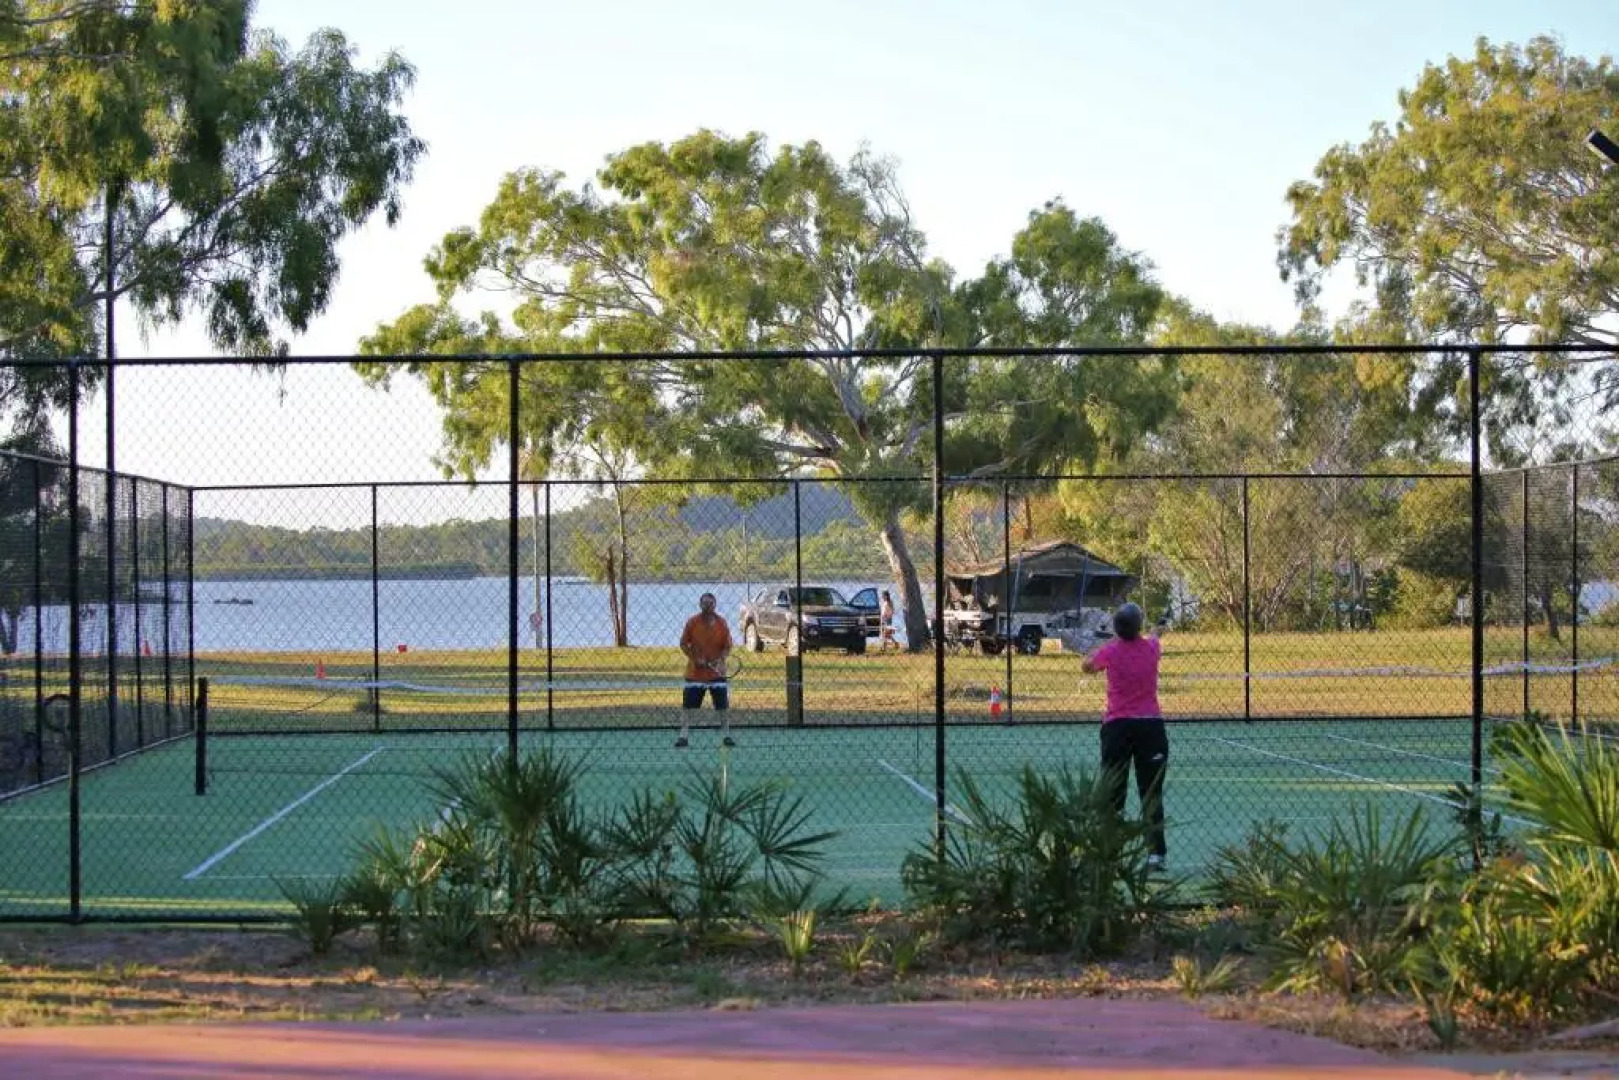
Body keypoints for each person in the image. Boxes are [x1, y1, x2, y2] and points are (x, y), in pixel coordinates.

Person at [1081, 602, 1170, 871]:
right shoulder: (1152, 648)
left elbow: (1087, 666)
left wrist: (1104, 644)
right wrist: (1158, 628)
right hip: (1150, 727)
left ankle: (1110, 852)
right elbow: (1155, 635)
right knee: (1150, 791)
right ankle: (1156, 854)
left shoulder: (1109, 650)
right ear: (1138, 626)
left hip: (1117, 728)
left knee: (1113, 791)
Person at [676, 592, 734, 749]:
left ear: (715, 605)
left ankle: (726, 736)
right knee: (688, 706)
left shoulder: (722, 623)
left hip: (717, 674)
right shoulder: (692, 622)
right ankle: (683, 736)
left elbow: (727, 647)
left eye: (710, 604)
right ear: (700, 605)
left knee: (722, 706)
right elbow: (683, 644)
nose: (708, 607)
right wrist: (696, 659)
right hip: (695, 674)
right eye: (705, 604)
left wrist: (720, 660)